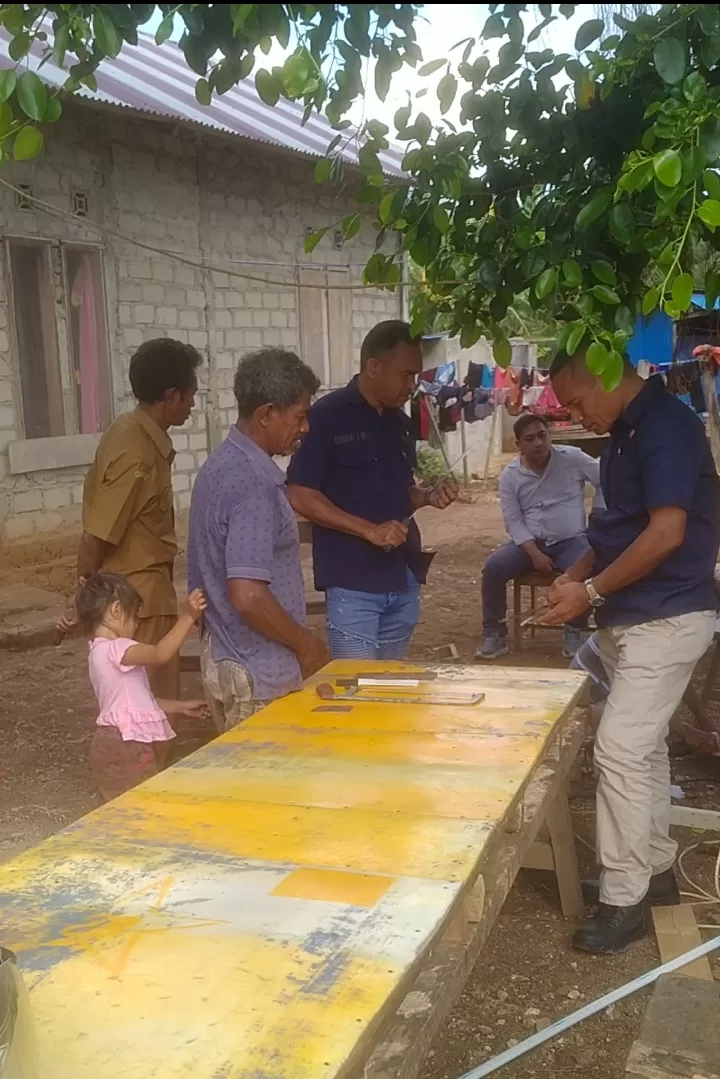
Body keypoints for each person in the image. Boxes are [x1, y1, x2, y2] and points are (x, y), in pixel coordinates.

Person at [542, 346, 720, 954]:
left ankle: (625, 898)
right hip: (634, 615)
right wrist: (575, 578)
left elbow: (666, 533)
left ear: (605, 373)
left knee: (618, 749)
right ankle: (655, 868)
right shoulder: (622, 433)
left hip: (667, 615)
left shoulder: (666, 426)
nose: (574, 416)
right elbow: (619, 532)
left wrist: (589, 590)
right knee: (642, 750)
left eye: (575, 402)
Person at [287, 320, 457, 659]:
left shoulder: (400, 422)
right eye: (405, 375)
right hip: (353, 582)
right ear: (373, 367)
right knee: (357, 684)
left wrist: (427, 496)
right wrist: (368, 530)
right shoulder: (326, 417)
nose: (411, 385)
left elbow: (398, 493)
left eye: (415, 376)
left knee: (387, 682)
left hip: (402, 577)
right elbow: (299, 493)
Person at [187, 348, 328, 731]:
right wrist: (306, 646)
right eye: (299, 416)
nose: (305, 428)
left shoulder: (218, 464)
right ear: (266, 414)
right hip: (258, 672)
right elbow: (247, 595)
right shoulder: (253, 484)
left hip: (224, 657)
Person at [61, 338, 202, 702]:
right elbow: (98, 533)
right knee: (151, 705)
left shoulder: (129, 429)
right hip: (140, 597)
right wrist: (83, 595)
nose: (193, 404)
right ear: (170, 396)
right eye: (189, 395)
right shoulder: (137, 453)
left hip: (136, 592)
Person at [476, 413, 602, 660]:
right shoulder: (510, 476)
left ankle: (574, 630)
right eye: (530, 438)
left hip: (571, 541)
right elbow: (513, 521)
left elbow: (604, 479)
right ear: (518, 444)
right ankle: (494, 634)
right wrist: (534, 554)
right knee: (493, 568)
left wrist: (599, 514)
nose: (538, 443)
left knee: (589, 567)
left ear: (549, 435)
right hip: (529, 545)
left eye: (542, 435)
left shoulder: (572, 458)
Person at [75, 572, 208, 802]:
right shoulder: (117, 648)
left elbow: (138, 703)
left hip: (111, 741)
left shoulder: (97, 653)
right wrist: (188, 617)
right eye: (134, 616)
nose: (136, 624)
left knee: (124, 806)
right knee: (146, 803)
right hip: (126, 743)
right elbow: (159, 654)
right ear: (116, 611)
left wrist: (180, 707)